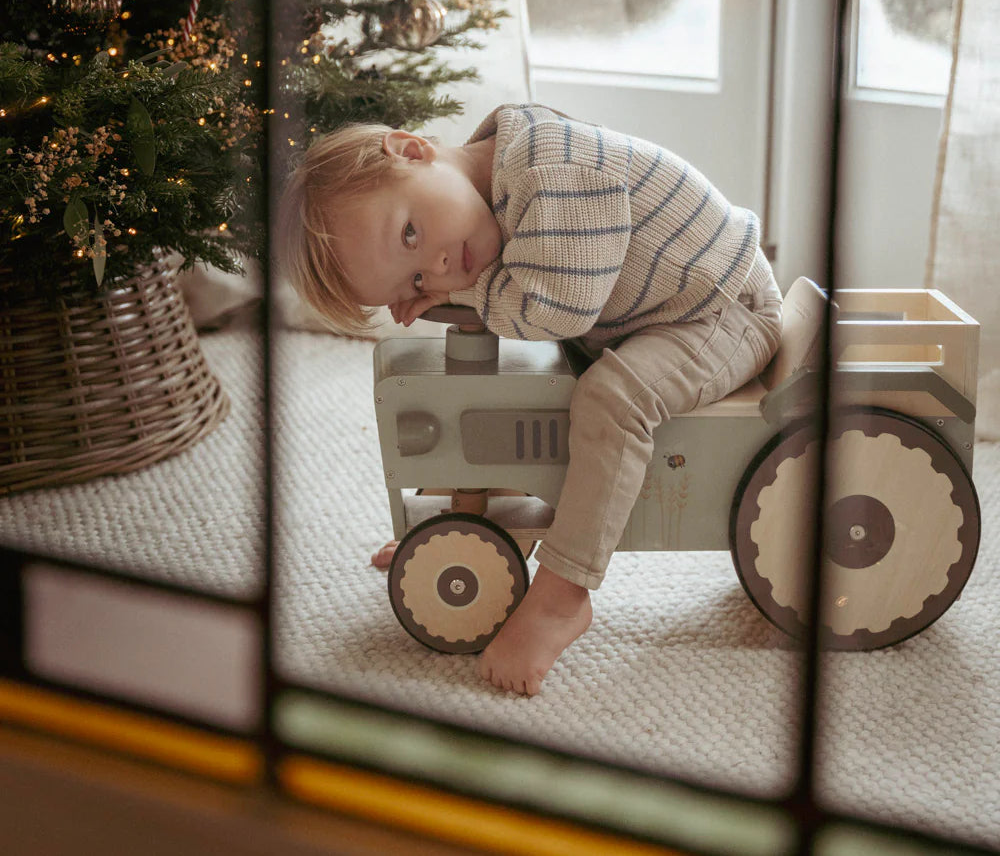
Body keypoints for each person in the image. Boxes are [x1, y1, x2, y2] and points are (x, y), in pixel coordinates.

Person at [281, 102, 783, 696]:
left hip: (721, 309)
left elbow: (557, 309)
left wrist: (464, 295)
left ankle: (563, 596)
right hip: (647, 312)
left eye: (411, 233)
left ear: (413, 151)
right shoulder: (496, 180)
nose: (439, 266)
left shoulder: (551, 171)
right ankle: (476, 520)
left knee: (613, 400)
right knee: (540, 384)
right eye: (415, 282)